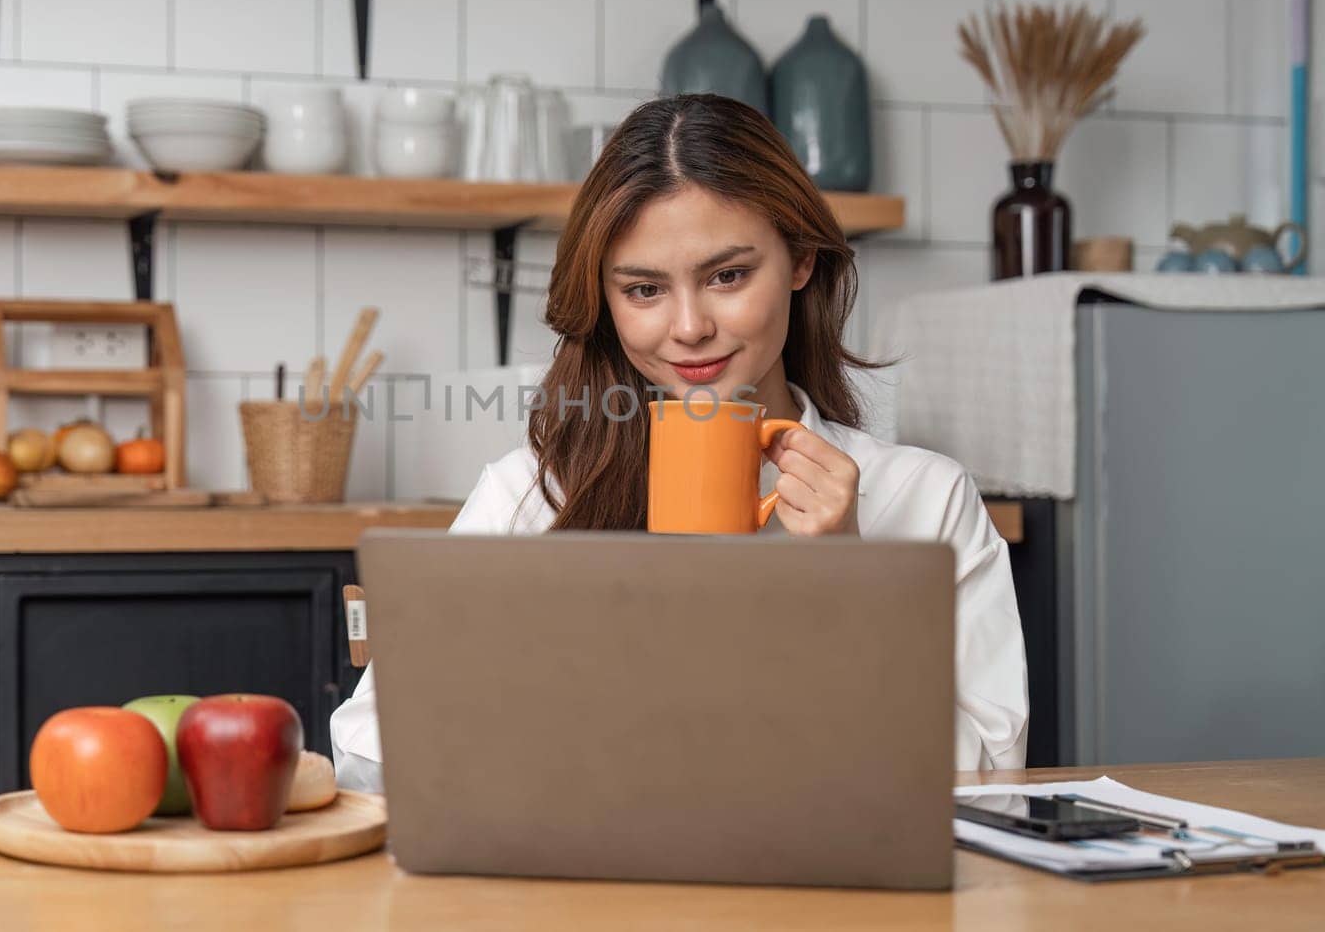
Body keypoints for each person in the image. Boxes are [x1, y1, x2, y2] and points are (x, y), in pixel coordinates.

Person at [330, 94, 1028, 792]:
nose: (689, 326)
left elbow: (992, 774)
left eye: (727, 276)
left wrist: (846, 589)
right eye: (644, 289)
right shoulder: (531, 495)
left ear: (801, 259)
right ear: (605, 299)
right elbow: (366, 748)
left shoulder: (927, 500)